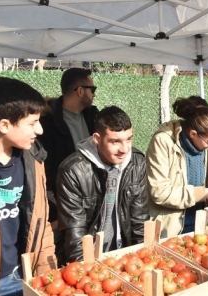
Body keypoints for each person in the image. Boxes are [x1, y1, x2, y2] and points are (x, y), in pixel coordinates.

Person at [0, 77, 56, 296]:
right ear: (4, 125)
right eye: (32, 123)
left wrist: (47, 274)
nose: (40, 130)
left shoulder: (33, 159)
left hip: (21, 275)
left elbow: (41, 222)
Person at [57, 106, 149, 262]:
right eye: (115, 141)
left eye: (129, 139)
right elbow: (74, 233)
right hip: (91, 260)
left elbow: (140, 221)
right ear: (97, 139)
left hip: (125, 257)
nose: (125, 149)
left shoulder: (137, 162)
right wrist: (85, 273)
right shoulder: (73, 170)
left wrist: (144, 260)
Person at [146, 97, 208, 238]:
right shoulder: (162, 142)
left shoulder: (206, 144)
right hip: (170, 230)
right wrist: (202, 193)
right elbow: (160, 192)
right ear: (193, 134)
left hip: (200, 225)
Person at [38, 68, 98, 222]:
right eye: (92, 89)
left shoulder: (94, 117)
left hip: (93, 199)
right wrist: (56, 209)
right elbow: (46, 171)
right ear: (80, 91)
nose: (94, 94)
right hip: (65, 204)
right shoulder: (47, 124)